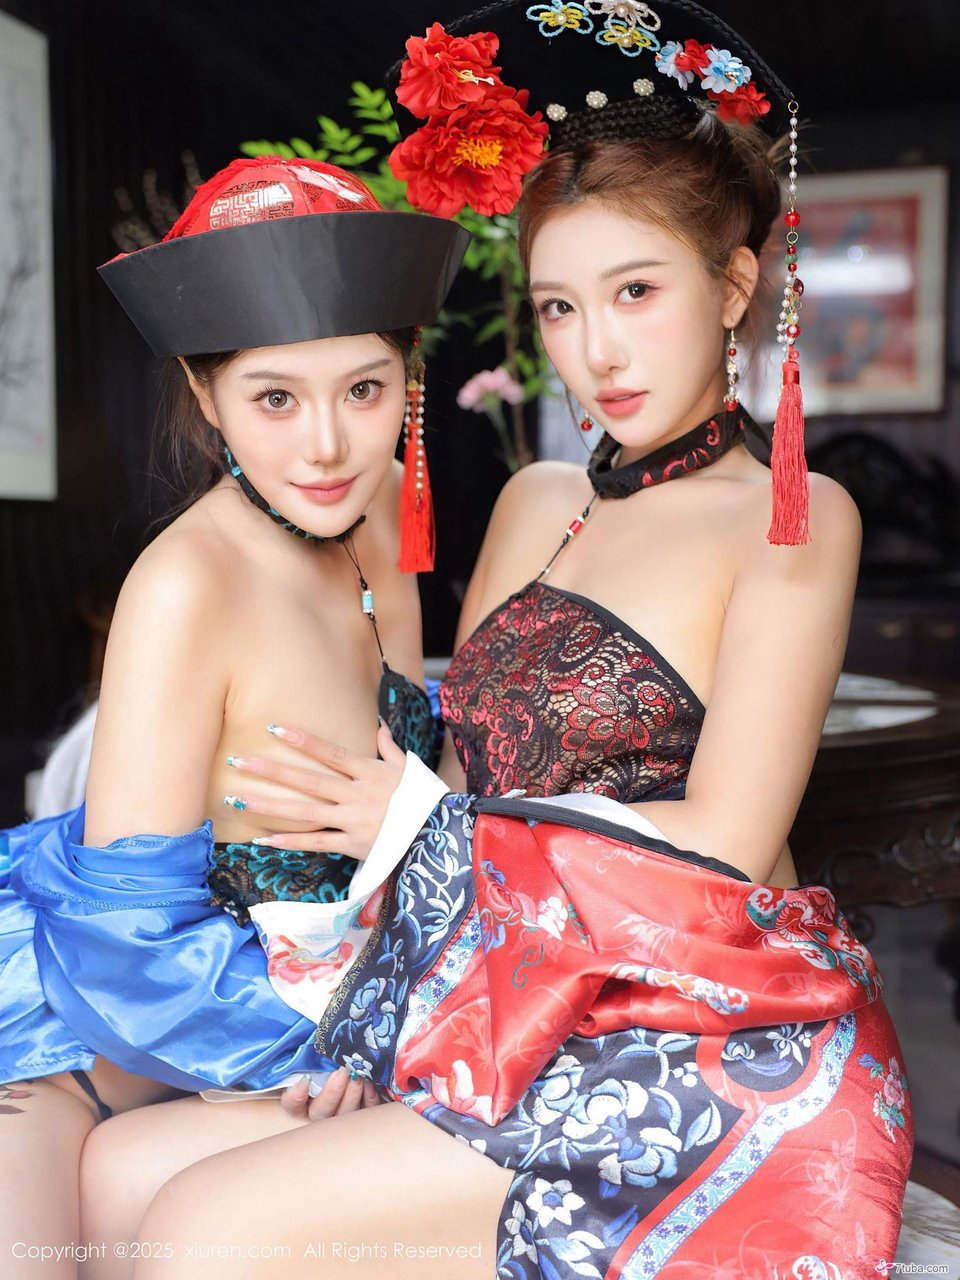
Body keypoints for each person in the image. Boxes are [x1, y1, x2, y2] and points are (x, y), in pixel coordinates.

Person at [113, 7, 910, 1278]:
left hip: (692, 1022)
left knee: (193, 1228)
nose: (598, 351)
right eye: (559, 307)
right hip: (501, 996)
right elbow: (454, 771)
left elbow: (725, 842)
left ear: (733, 286)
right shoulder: (540, 499)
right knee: (115, 1170)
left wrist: (420, 821)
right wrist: (381, 1009)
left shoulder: (792, 517)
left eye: (637, 292)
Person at [0, 156, 468, 1275]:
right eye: (275, 398)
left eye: (364, 391)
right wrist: (339, 1036)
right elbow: (123, 946)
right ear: (205, 395)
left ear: (406, 374)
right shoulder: (187, 583)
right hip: (78, 1041)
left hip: (296, 1012)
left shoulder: (379, 522)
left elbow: (408, 815)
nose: (327, 445)